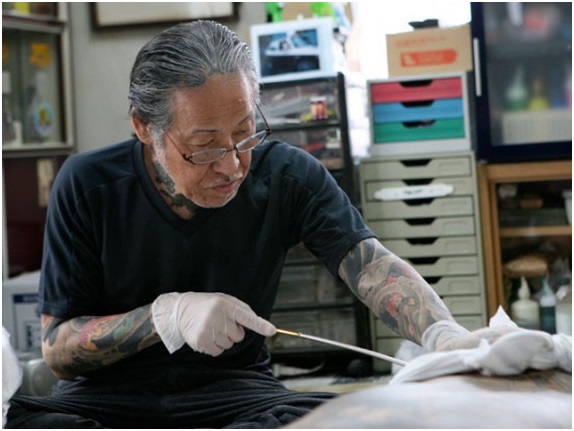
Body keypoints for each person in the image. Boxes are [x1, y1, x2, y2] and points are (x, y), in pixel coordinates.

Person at [6, 20, 497, 428]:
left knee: (348, 421)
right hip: (101, 403)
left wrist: (444, 337)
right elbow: (58, 351)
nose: (232, 165)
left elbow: (370, 267)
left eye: (244, 134)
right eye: (205, 147)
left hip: (236, 394)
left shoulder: (286, 174)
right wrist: (164, 317)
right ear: (144, 128)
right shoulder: (87, 185)